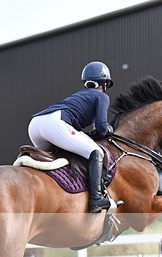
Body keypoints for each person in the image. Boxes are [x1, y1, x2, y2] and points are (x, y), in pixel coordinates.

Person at [28, 61, 114, 213]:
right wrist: (109, 129)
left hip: (35, 124)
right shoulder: (102, 96)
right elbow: (101, 126)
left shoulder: (79, 95)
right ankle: (96, 199)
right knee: (96, 152)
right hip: (54, 123)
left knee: (51, 161)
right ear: (104, 84)